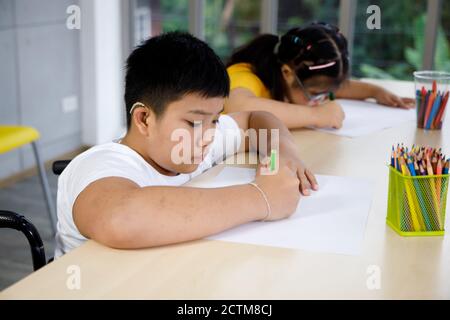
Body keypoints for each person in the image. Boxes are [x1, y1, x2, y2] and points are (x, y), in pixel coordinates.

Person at [54, 32, 317, 257]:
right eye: (194, 123)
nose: (209, 136)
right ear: (144, 119)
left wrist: (281, 154)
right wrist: (261, 197)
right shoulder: (99, 165)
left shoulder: (196, 145)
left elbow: (255, 119)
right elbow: (122, 218)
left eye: (215, 120)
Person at [225, 22, 415, 129]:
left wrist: (374, 91)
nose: (320, 100)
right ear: (287, 73)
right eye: (315, 94)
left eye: (325, 94)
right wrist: (316, 115)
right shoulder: (245, 75)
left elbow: (333, 88)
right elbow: (239, 107)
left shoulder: (292, 76)